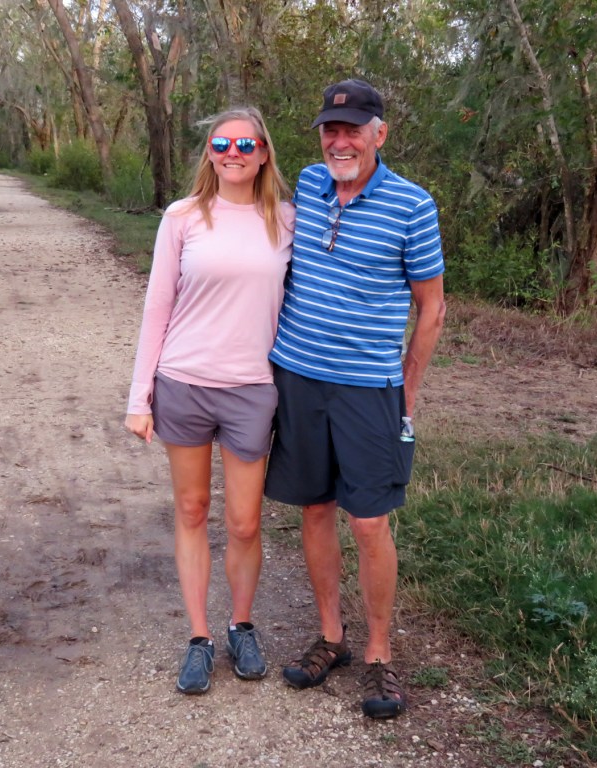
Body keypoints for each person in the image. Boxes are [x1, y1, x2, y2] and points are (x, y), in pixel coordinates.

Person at [265, 79, 446, 719]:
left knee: (368, 521)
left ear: (379, 134)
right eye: (331, 129)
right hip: (298, 378)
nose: (341, 140)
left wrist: (408, 392)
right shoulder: (308, 188)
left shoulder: (412, 205)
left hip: (370, 388)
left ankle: (377, 652)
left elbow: (431, 307)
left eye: (354, 129)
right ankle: (332, 639)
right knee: (314, 510)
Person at [125, 107, 293, 695]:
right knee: (193, 511)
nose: (234, 151)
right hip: (183, 383)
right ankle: (199, 638)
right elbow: (156, 308)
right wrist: (138, 397)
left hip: (252, 390)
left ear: (264, 152)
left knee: (245, 522)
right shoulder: (183, 217)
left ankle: (240, 625)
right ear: (211, 152)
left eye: (246, 143)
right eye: (222, 142)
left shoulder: (287, 220)